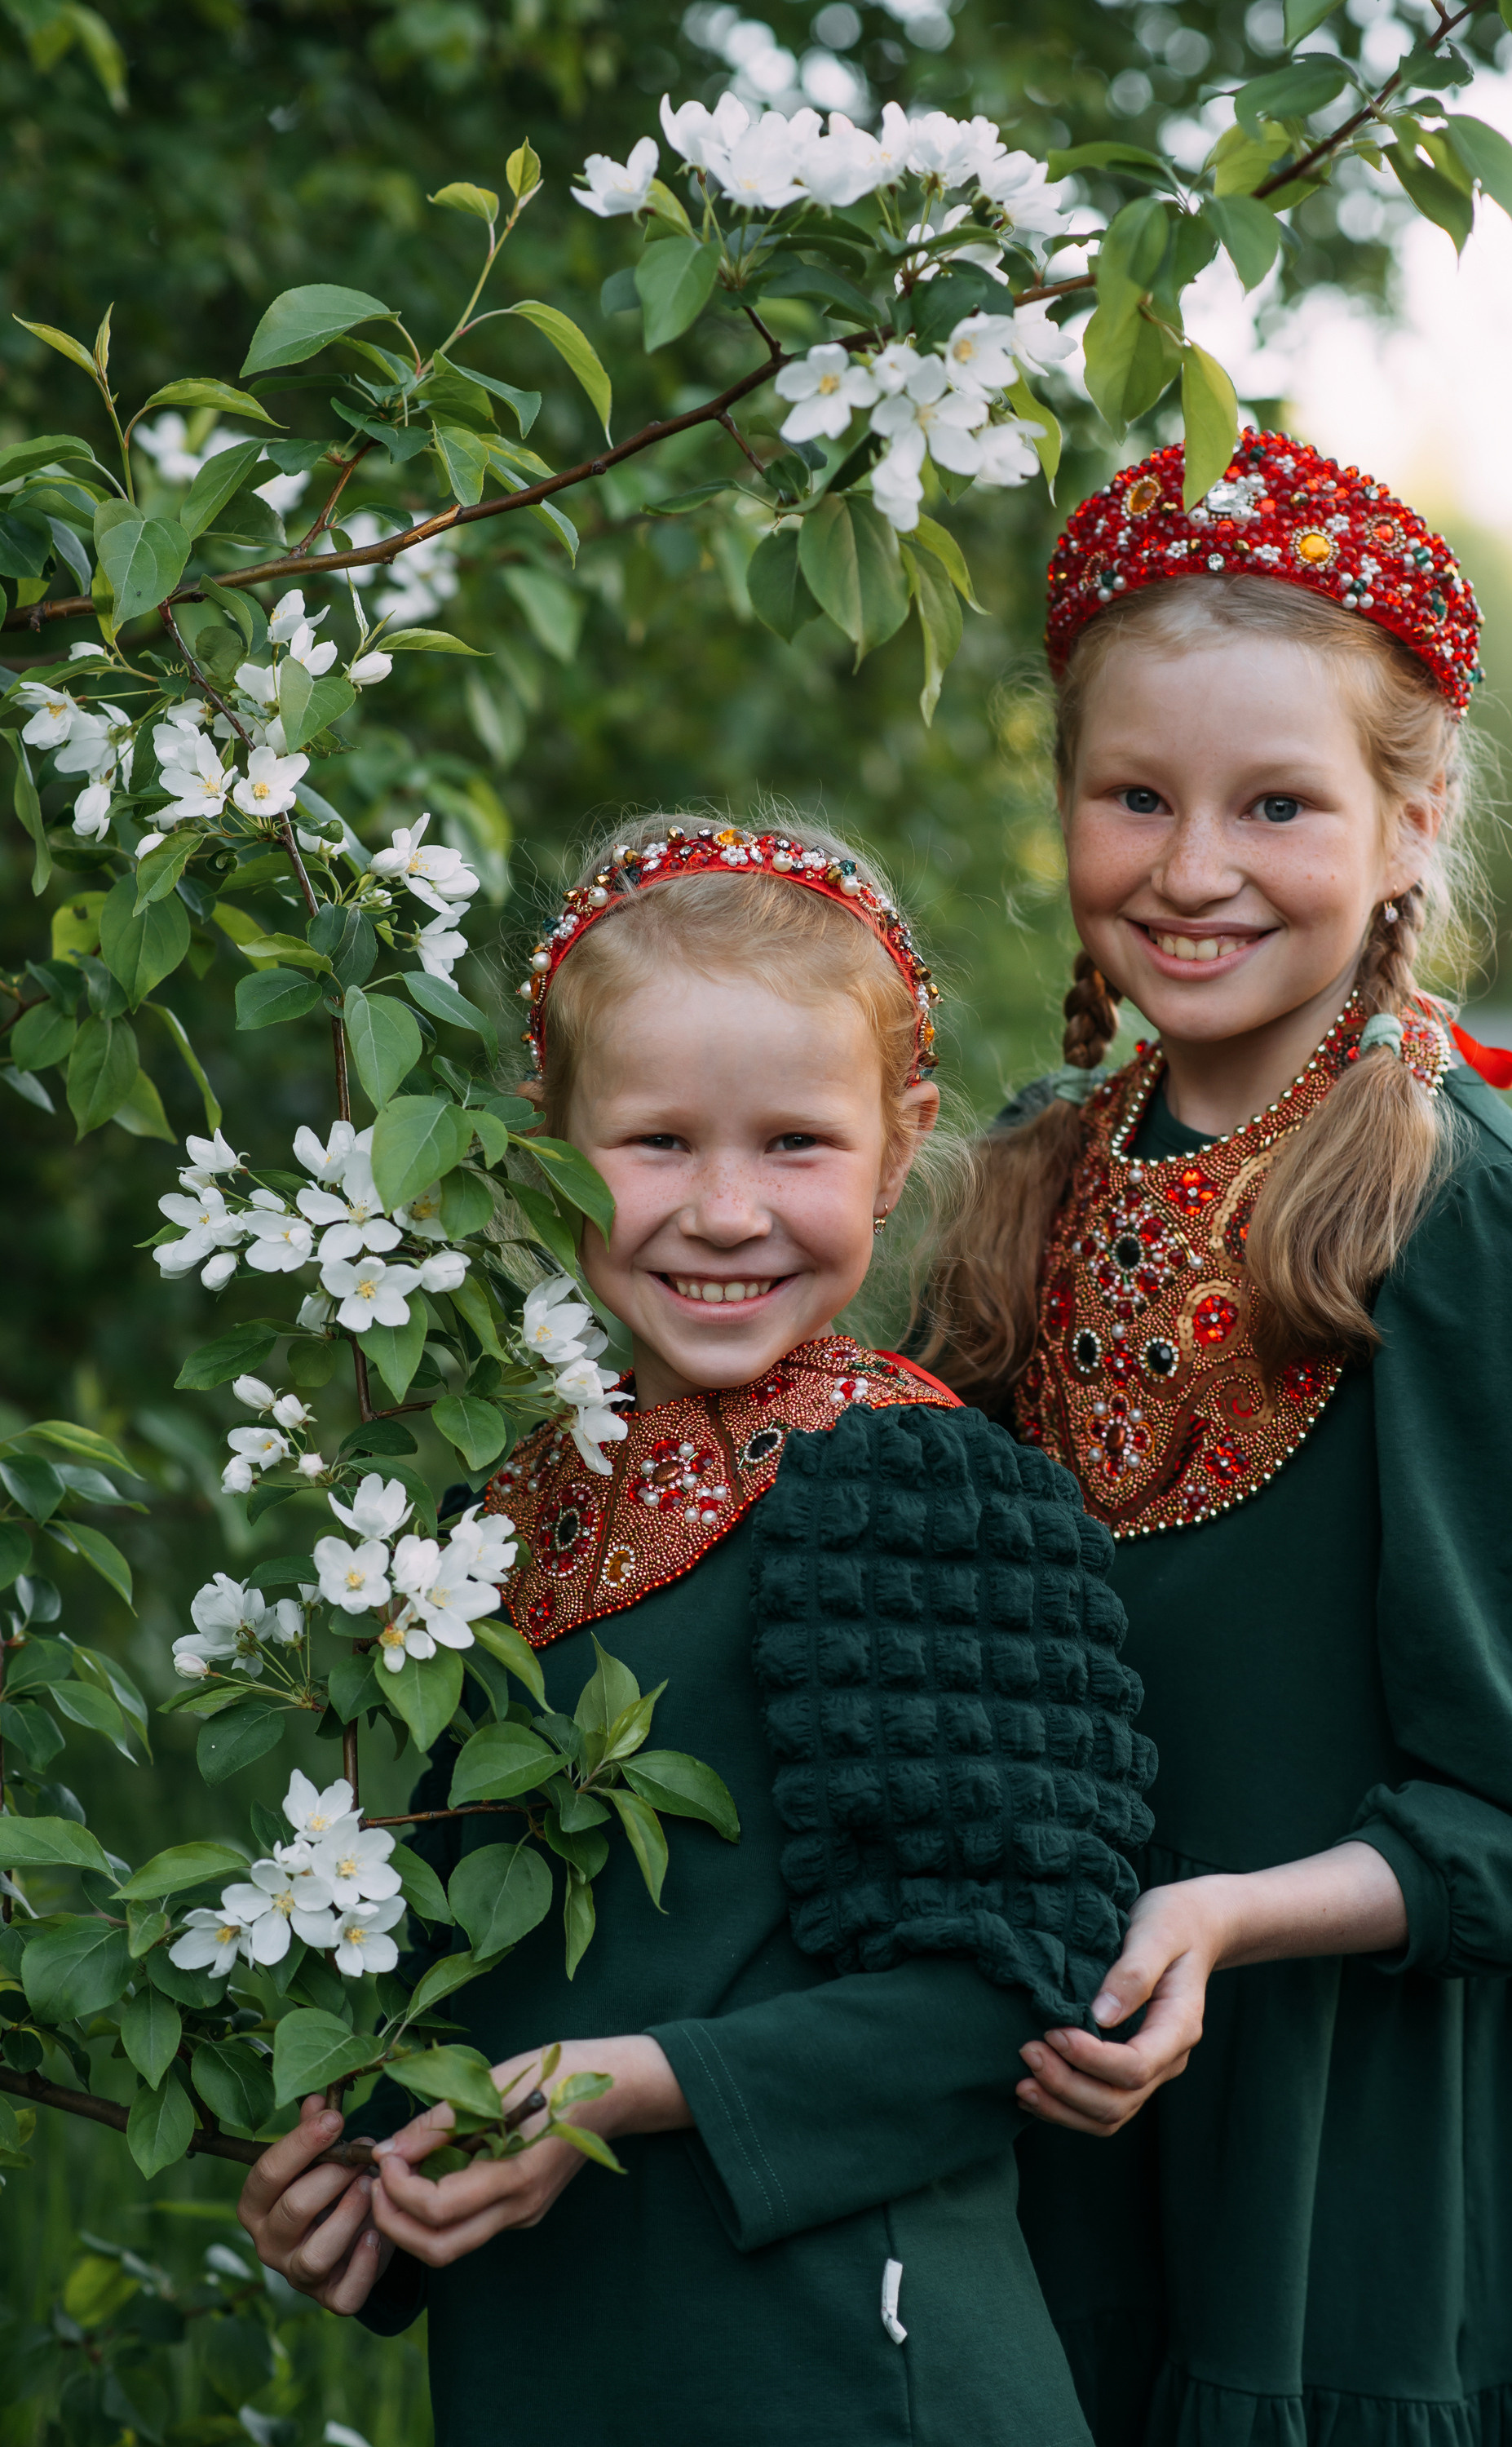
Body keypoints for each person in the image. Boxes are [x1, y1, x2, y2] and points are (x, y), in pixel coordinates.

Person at [236, 817, 1156, 2447]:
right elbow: (484, 1975)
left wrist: (635, 2084)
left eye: (796, 1144)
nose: (725, 1211)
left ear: (898, 1144)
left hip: (843, 2369)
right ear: (546, 1145)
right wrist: (370, 2200)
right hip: (563, 2371)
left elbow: (1015, 1981)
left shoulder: (909, 1485)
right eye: (657, 1142)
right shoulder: (493, 1531)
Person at [923, 433, 1512, 2445]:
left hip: (1372, 2135)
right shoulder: (1027, 1176)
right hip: (1079, 2086)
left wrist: (1225, 1916)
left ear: (1410, 825)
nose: (1194, 865)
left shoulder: (1467, 1222)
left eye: (1279, 805)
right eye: (1133, 796)